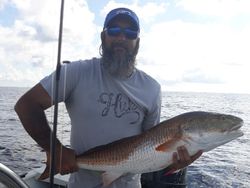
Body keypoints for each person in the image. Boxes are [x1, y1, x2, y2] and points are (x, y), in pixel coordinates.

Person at [15, 7, 202, 188]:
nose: (122, 38)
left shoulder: (152, 88)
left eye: (130, 33)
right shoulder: (76, 72)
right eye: (114, 30)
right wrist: (55, 149)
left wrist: (174, 163)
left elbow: (150, 149)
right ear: (103, 36)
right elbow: (27, 105)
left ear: (138, 42)